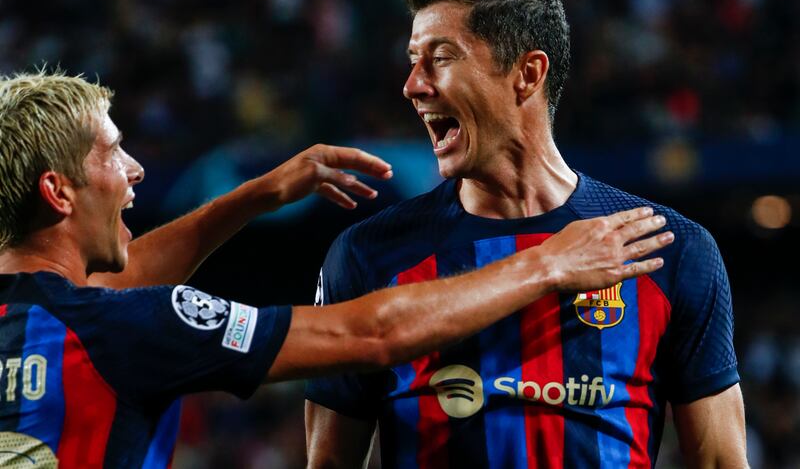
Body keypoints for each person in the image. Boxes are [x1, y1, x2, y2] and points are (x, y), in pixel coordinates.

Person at [0, 71, 670, 468]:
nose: (135, 169)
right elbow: (369, 334)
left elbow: (100, 293)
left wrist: (259, 195)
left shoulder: (66, 319)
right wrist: (546, 262)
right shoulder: (128, 327)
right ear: (59, 193)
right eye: (114, 154)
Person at [304, 0, 746, 468]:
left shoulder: (669, 250)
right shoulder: (368, 255)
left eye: (440, 58)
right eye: (412, 60)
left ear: (528, 74)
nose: (412, 85)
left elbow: (719, 461)